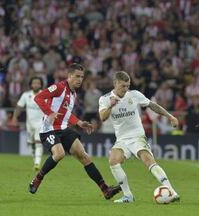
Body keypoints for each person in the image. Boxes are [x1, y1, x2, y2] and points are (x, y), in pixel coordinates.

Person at [28, 63, 121, 200]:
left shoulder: (73, 94)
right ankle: (37, 178)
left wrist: (79, 122)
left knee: (84, 157)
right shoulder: (59, 87)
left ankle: (105, 189)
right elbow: (39, 97)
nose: (80, 79)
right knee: (59, 154)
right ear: (69, 76)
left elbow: (66, 113)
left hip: (64, 129)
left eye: (82, 77)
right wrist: (50, 112)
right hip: (49, 130)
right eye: (77, 76)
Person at [98, 71, 180, 203]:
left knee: (149, 161)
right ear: (115, 83)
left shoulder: (134, 95)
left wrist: (170, 116)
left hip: (137, 137)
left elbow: (153, 106)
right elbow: (102, 117)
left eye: (127, 86)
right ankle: (128, 196)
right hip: (122, 140)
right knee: (113, 161)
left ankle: (172, 191)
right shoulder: (105, 99)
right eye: (123, 86)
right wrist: (111, 105)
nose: (126, 89)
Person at [12, 76, 45, 171]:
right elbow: (19, 106)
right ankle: (35, 160)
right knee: (31, 142)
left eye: (38, 83)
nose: (36, 85)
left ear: (40, 84)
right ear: (31, 84)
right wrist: (14, 117)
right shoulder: (26, 95)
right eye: (34, 83)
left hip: (40, 122)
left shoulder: (44, 94)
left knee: (38, 142)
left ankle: (37, 163)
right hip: (29, 123)